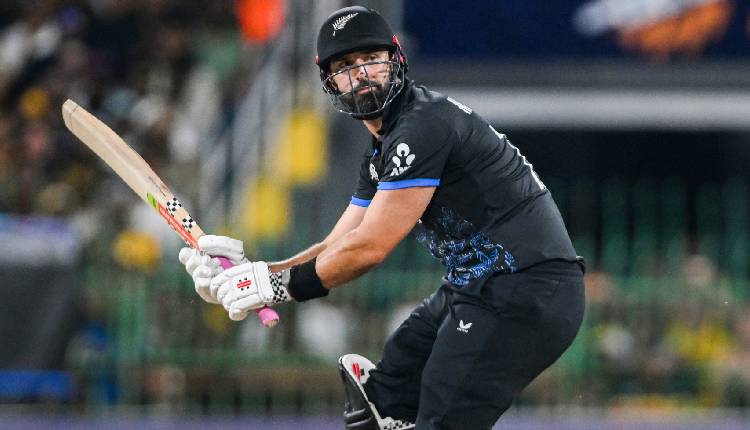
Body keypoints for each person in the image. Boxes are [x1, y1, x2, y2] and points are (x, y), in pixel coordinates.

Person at [178, 6, 585, 430]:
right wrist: (256, 275)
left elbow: (369, 248)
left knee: (442, 419)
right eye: (344, 67)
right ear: (330, 82)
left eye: (371, 59)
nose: (361, 74)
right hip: (480, 286)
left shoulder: (422, 126)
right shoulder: (383, 151)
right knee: (382, 400)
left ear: (396, 60)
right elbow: (337, 246)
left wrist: (275, 286)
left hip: (527, 288)